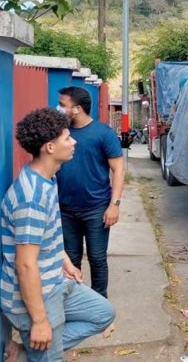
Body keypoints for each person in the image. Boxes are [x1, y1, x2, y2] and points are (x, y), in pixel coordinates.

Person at [1, 108, 115, 362]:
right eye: (67, 137)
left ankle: (29, 353)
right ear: (50, 148)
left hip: (55, 280)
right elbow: (26, 264)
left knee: (103, 312)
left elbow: (48, 232)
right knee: (50, 359)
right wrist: (40, 321)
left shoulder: (48, 178)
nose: (73, 141)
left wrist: (65, 261)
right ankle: (38, 350)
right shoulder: (31, 198)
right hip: (37, 294)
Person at [55, 86, 124, 299]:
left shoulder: (103, 134)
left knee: (97, 258)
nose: (58, 108)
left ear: (76, 109)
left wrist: (115, 204)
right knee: (71, 259)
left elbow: (118, 168)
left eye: (62, 105)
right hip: (65, 209)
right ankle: (75, 300)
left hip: (96, 208)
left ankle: (100, 301)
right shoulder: (60, 133)